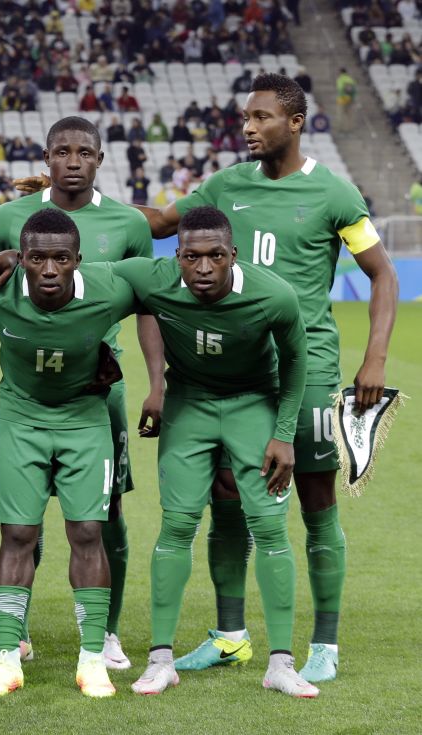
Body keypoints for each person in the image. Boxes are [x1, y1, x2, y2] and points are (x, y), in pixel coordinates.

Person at [137, 72, 398, 684]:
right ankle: (230, 636)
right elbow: (157, 224)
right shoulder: (226, 186)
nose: (248, 128)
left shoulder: (335, 195)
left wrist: (375, 358)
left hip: (304, 372)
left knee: (315, 503)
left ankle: (325, 644)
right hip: (232, 372)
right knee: (227, 500)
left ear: (295, 122)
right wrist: (75, 197)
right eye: (246, 118)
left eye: (261, 118)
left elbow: (382, 274)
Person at [0, 116, 164, 671]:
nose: (74, 160)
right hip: (28, 390)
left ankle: (106, 634)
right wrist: (8, 256)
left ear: (101, 159)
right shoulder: (9, 219)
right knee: (20, 515)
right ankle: (18, 634)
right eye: (63, 151)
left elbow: (148, 303)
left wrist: (159, 382)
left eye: (85, 151)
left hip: (97, 392)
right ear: (46, 158)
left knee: (106, 515)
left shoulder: (129, 223)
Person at [110, 206, 316, 698]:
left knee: (268, 526)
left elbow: (296, 360)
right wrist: (10, 257)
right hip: (190, 406)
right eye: (191, 257)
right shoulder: (154, 278)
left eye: (215, 256)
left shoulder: (272, 295)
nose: (203, 268)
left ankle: (282, 664)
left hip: (254, 405)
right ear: (175, 256)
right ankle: (161, 660)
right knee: (177, 524)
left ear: (233, 255)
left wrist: (284, 434)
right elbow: (83, 277)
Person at [0, 210, 136, 699]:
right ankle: (7, 655)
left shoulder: (110, 287)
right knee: (18, 533)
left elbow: (176, 283)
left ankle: (92, 659)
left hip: (85, 423)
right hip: (21, 423)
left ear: (78, 261)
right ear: (22, 259)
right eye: (37, 258)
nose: (48, 269)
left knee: (88, 530)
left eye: (60, 259)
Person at [336, 67, 357, 132]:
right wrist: (352, 98)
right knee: (349, 116)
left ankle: (341, 129)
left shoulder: (340, 79)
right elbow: (355, 90)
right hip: (350, 100)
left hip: (342, 100)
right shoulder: (350, 79)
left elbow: (340, 89)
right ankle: (350, 129)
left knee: (341, 114)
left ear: (340, 72)